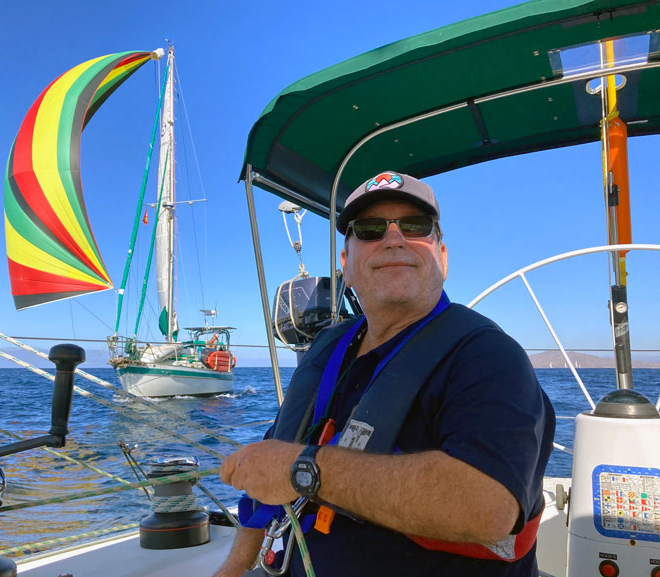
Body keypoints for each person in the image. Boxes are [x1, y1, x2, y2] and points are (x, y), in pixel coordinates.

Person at [215, 171, 555, 577]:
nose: (394, 239)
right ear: (346, 265)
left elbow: (488, 506)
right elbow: (278, 454)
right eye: (371, 230)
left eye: (415, 227)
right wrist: (233, 568)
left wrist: (303, 470)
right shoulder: (325, 349)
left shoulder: (487, 356)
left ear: (442, 257)